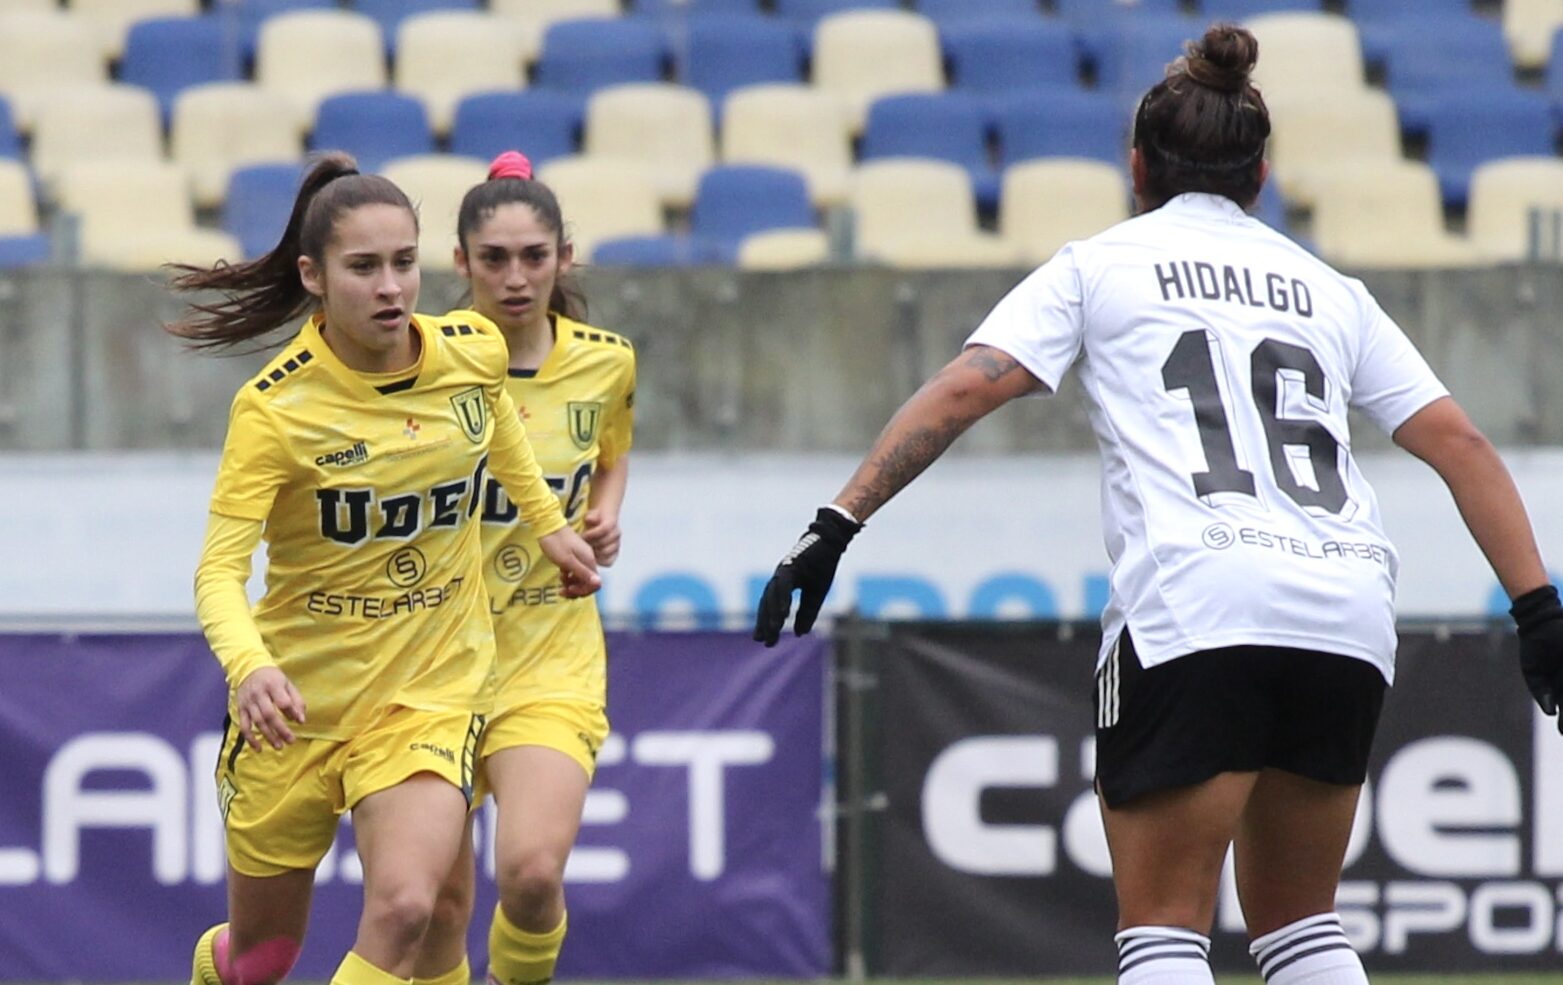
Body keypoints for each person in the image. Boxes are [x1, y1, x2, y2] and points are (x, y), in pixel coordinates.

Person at [753, 24, 1563, 985]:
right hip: (1343, 612)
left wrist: (835, 523)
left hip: (1196, 604)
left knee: (1166, 933)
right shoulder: (1329, 291)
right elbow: (1459, 444)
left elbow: (969, 384)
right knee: (1304, 929)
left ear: (1135, 165)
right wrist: (1537, 608)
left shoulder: (1099, 265)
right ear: (1259, 174)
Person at [166, 152, 602, 985]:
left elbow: (496, 419)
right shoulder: (274, 408)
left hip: (427, 694)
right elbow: (218, 573)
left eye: (403, 261)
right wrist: (251, 666)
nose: (391, 287)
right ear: (314, 275)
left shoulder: (469, 350)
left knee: (412, 907)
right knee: (261, 959)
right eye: (363, 267)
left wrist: (548, 526)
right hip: (297, 708)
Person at [412, 151, 636, 985]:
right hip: (428, 663)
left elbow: (610, 451)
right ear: (461, 263)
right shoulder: (418, 362)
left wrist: (606, 510)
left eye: (533, 257)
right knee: (436, 905)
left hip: (548, 656)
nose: (516, 277)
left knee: (534, 873)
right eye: (495, 259)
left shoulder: (607, 360)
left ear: (563, 259)